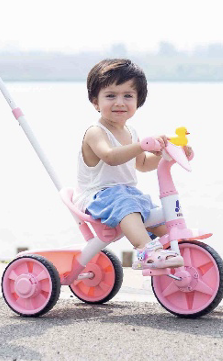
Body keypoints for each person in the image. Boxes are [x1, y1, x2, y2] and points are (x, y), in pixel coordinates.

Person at [76, 58, 192, 269]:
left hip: (127, 194)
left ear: (138, 101)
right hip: (98, 196)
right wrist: (142, 145)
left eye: (128, 96)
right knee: (127, 205)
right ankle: (146, 251)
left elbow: (143, 164)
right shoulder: (96, 132)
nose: (120, 102)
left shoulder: (131, 132)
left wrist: (168, 153)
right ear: (95, 102)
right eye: (110, 96)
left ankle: (191, 258)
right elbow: (110, 156)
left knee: (161, 220)